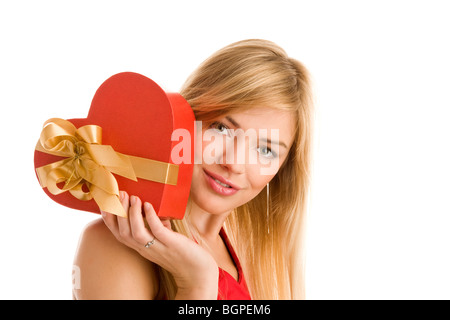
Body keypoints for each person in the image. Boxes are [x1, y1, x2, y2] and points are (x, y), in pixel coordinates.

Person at [72, 39, 313, 300]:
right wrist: (197, 285)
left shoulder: (246, 254)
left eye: (266, 150)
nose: (233, 162)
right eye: (221, 128)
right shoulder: (115, 245)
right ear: (185, 120)